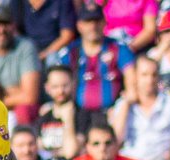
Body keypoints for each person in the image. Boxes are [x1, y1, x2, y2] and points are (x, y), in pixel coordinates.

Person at [52, 5, 135, 133]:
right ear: (79, 25)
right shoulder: (70, 53)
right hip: (78, 116)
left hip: (112, 114)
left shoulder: (118, 49)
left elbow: (132, 85)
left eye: (96, 21)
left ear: (104, 22)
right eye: (88, 21)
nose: (93, 26)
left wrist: (121, 106)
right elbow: (57, 83)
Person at [110, 55, 170, 160]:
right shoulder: (123, 105)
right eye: (144, 75)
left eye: (154, 75)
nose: (150, 80)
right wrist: (126, 104)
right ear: (136, 77)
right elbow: (116, 139)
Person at [0, 6, 42, 125]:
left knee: (24, 112)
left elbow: (30, 96)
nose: (1, 30)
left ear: (14, 26)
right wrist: (15, 91)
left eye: (6, 24)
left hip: (16, 110)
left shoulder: (26, 47)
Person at [35, 65, 80, 159]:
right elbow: (38, 150)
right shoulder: (43, 117)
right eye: (55, 86)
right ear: (47, 88)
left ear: (74, 84)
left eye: (65, 85)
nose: (60, 91)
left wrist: (68, 120)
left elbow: (70, 152)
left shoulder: (84, 116)